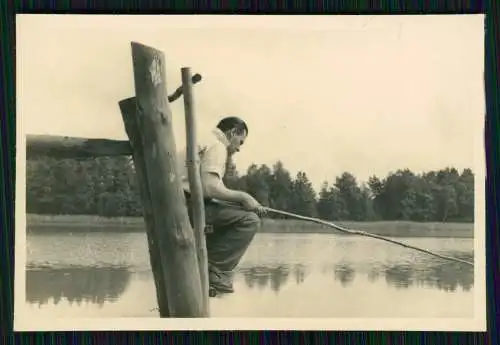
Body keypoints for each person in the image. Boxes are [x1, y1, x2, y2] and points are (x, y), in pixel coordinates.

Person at [177, 116, 267, 294]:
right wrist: (244, 197)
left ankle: (207, 264)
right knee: (249, 220)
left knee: (235, 215)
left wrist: (239, 202)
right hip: (188, 208)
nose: (239, 148)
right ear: (232, 132)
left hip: (179, 205)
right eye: (240, 142)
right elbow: (210, 187)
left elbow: (207, 188)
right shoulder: (218, 146)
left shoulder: (203, 139)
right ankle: (213, 269)